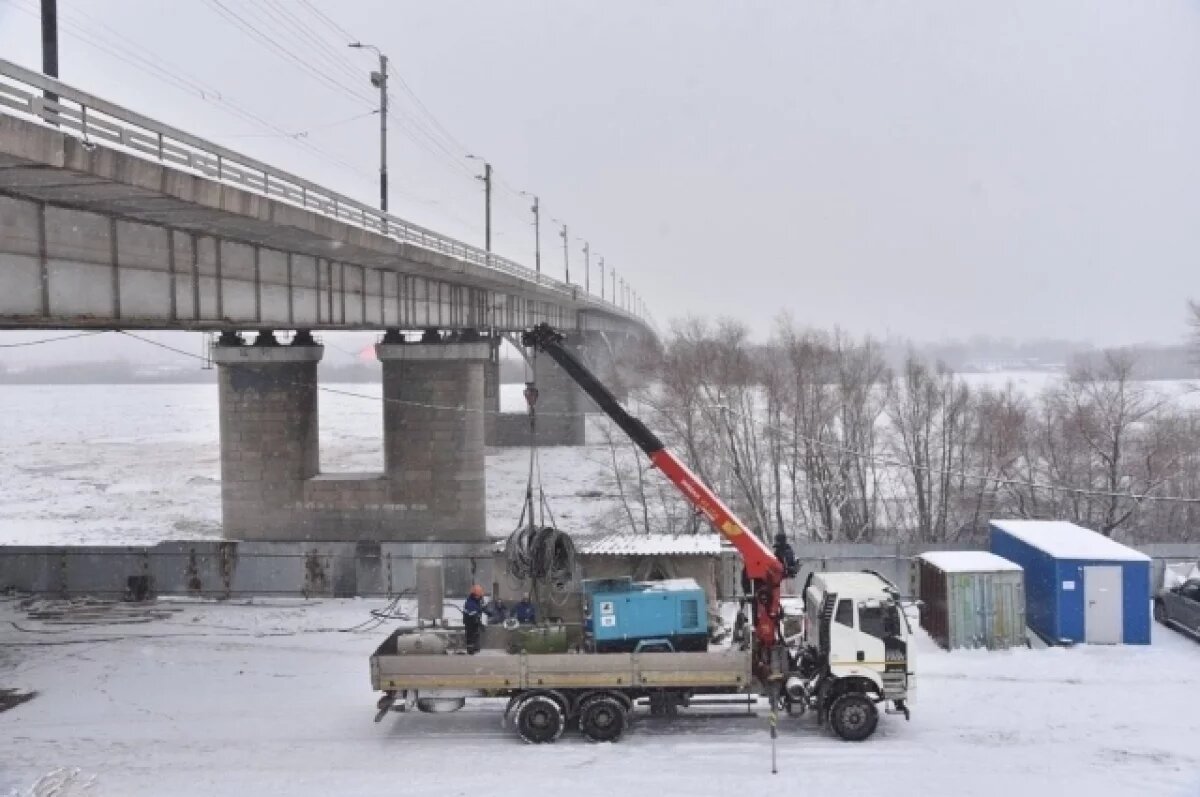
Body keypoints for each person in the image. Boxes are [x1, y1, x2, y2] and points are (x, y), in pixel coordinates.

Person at [462, 584, 485, 654]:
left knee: (475, 634)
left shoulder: (476, 602)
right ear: (476, 595)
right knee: (471, 635)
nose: (481, 597)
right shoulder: (471, 603)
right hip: (470, 622)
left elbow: (479, 611)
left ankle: (475, 648)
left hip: (473, 622)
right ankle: (471, 650)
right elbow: (472, 614)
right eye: (480, 596)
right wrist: (478, 622)